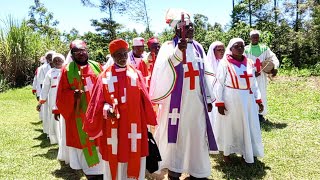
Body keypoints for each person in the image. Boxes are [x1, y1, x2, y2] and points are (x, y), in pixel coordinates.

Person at [149, 9, 217, 180]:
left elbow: (205, 74)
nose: (191, 29)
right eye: (187, 27)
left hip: (196, 102)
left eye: (192, 26)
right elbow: (162, 71)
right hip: (175, 104)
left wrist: (208, 97)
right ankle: (175, 169)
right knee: (176, 137)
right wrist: (178, 52)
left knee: (197, 135)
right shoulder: (168, 47)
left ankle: (197, 170)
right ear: (177, 30)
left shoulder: (199, 48)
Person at [84, 39, 157, 180]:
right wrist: (106, 109)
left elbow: (145, 100)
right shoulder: (104, 77)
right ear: (112, 56)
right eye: (118, 54)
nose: (123, 57)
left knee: (133, 154)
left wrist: (148, 120)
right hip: (114, 126)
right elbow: (97, 103)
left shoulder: (136, 74)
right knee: (116, 154)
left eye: (125, 53)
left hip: (135, 125)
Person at [56, 40, 103, 179]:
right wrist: (72, 95)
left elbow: (105, 85)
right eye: (77, 51)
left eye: (83, 50)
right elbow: (61, 94)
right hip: (78, 115)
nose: (81, 53)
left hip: (97, 113)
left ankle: (101, 170)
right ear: (72, 54)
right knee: (84, 143)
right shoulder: (67, 70)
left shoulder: (96, 66)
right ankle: (90, 173)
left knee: (99, 142)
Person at [214, 38, 264, 164]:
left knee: (247, 125)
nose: (240, 48)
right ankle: (227, 153)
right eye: (237, 46)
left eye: (242, 46)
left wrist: (258, 100)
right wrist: (220, 103)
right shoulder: (224, 63)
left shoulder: (250, 63)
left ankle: (245, 152)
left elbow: (254, 84)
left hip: (248, 99)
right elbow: (219, 84)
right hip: (231, 99)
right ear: (230, 49)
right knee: (230, 126)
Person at [244, 30, 280, 121]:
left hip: (262, 76)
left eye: (257, 37)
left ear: (259, 38)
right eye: (253, 37)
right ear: (250, 38)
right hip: (250, 77)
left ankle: (260, 115)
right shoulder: (245, 49)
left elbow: (273, 58)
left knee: (262, 93)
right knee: (251, 94)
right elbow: (243, 63)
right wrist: (251, 73)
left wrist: (274, 67)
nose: (255, 39)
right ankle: (251, 114)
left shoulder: (265, 48)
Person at [39, 53, 64, 145]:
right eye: (55, 60)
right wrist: (41, 100)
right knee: (54, 118)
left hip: (65, 98)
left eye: (59, 59)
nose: (57, 62)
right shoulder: (50, 72)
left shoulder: (67, 70)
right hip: (52, 98)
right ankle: (55, 138)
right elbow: (45, 87)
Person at [206, 41, 225, 127]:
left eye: (223, 50)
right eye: (219, 50)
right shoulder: (207, 66)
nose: (221, 52)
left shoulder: (225, 64)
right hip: (212, 96)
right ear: (213, 51)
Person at [37, 51, 55, 135]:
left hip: (57, 93)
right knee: (48, 113)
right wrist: (41, 96)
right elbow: (40, 83)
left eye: (52, 57)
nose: (50, 59)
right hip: (47, 93)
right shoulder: (42, 69)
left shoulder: (61, 66)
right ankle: (49, 132)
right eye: (49, 57)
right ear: (46, 59)